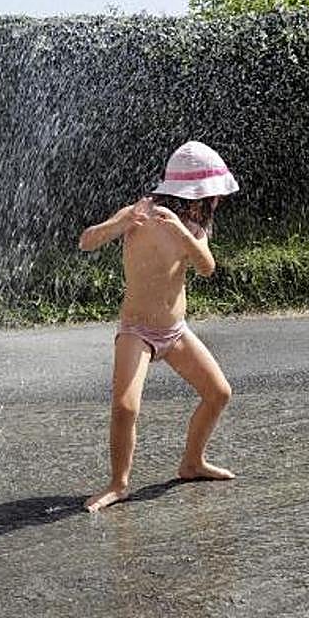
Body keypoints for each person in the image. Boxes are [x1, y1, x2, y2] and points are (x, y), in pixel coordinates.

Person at [78, 141, 239, 513]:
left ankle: (192, 462)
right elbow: (87, 242)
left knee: (219, 393)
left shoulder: (193, 228)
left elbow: (207, 268)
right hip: (137, 330)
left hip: (176, 331)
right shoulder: (141, 212)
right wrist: (118, 224)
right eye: (210, 196)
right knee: (125, 407)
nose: (213, 203)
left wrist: (185, 236)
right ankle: (118, 484)